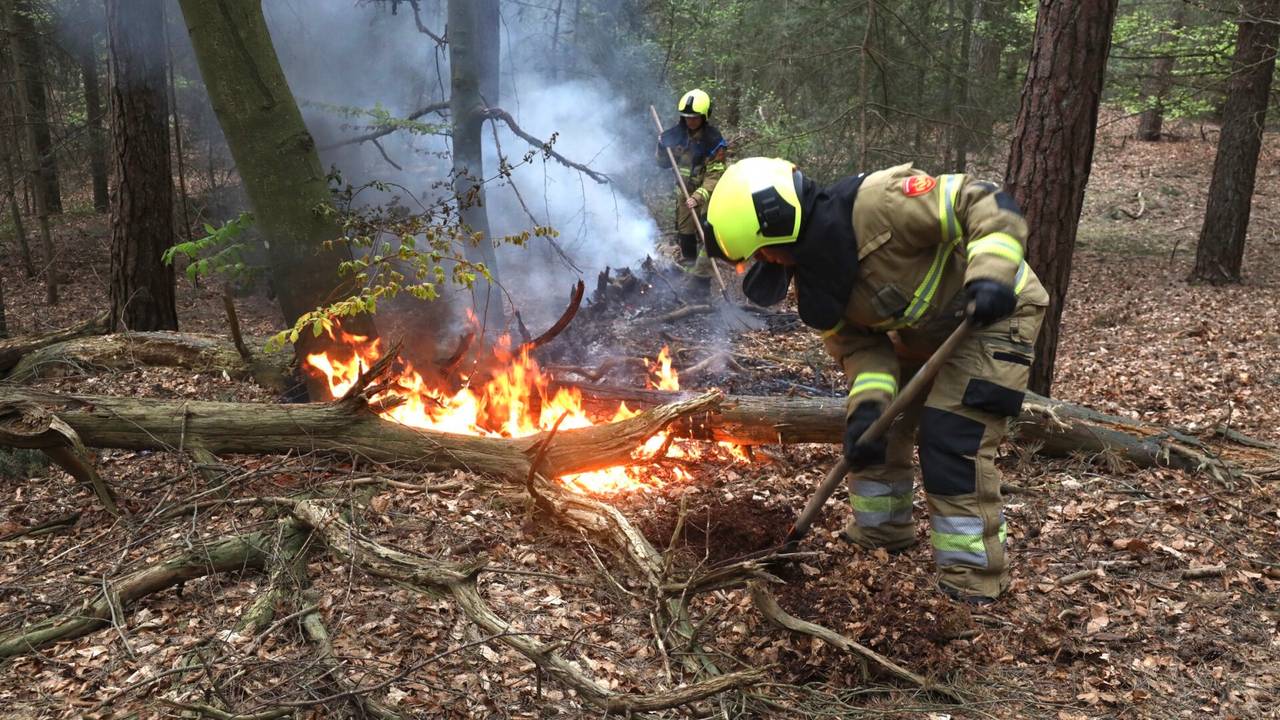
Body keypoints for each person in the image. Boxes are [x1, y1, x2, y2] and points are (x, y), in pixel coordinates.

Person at [703, 156, 1049, 604]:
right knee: (872, 433)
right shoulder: (815, 285)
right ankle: (882, 536)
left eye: (762, 252)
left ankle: (972, 581)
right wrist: (867, 411)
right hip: (925, 330)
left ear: (777, 222)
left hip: (996, 314)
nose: (763, 263)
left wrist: (990, 277)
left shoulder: (881, 203)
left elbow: (982, 200)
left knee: (951, 438)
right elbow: (862, 350)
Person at [656, 89, 727, 283]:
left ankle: (701, 284)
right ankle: (687, 278)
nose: (690, 121)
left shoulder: (713, 141)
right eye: (687, 117)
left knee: (707, 237)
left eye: (695, 118)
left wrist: (699, 196)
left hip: (706, 198)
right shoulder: (677, 135)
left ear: (704, 117)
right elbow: (663, 164)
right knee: (685, 235)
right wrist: (662, 148)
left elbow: (715, 176)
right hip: (683, 195)